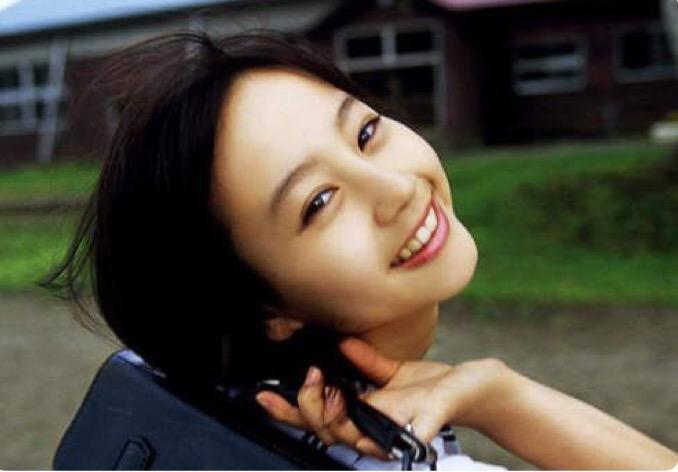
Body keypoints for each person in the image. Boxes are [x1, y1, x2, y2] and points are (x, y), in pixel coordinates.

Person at [41, 30, 677, 470]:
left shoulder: (202, 402)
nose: (397, 189)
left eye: (366, 132)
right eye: (318, 202)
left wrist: (488, 392)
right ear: (263, 308)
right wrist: (506, 397)